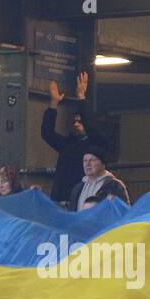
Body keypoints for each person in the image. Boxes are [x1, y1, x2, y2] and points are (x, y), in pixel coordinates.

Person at [42, 72, 109, 204]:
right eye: (74, 121)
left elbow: (93, 128)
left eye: (80, 121)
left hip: (83, 200)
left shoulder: (96, 145)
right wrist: (53, 104)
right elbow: (47, 133)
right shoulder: (68, 144)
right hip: (60, 199)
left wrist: (81, 97)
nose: (76, 124)